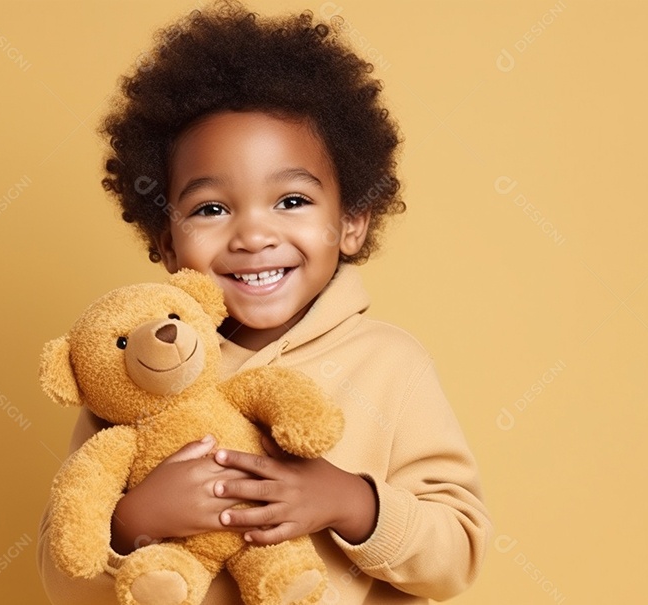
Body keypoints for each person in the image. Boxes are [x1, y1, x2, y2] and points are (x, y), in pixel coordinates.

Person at [37, 1, 491, 602]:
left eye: (292, 201)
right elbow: (59, 572)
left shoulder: (391, 366)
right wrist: (134, 524)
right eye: (212, 209)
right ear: (167, 242)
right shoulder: (133, 372)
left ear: (352, 221)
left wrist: (353, 503)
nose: (253, 235)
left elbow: (456, 555)